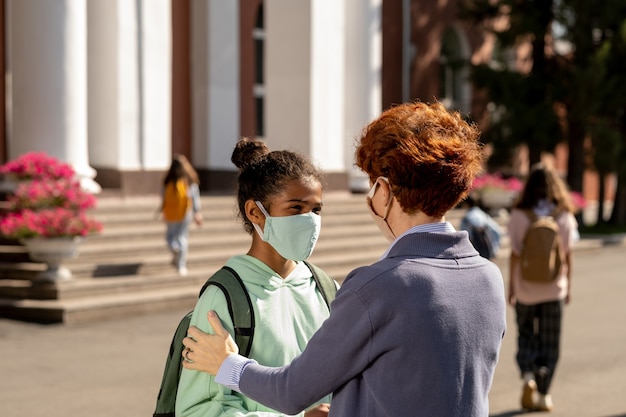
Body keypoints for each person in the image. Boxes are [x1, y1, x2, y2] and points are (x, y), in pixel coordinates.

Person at [181, 101, 507, 417]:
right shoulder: (489, 278)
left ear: (382, 190)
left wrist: (228, 365)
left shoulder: (378, 287)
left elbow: (292, 392)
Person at [175, 137, 334, 417]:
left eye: (316, 209)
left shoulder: (327, 289)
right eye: (296, 208)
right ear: (255, 212)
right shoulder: (224, 297)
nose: (309, 220)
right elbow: (196, 410)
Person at [507, 162, 579, 412]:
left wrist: (511, 288)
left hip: (525, 288)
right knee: (550, 342)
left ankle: (528, 375)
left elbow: (515, 254)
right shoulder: (564, 215)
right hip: (553, 288)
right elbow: (568, 254)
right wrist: (568, 286)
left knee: (526, 334)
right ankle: (544, 392)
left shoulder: (519, 215)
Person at [161, 154, 203, 276]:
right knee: (182, 237)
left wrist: (163, 211)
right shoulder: (189, 180)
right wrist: (197, 213)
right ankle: (181, 266)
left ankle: (174, 248)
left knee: (170, 236)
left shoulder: (168, 181)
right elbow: (195, 197)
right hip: (186, 213)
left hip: (171, 213)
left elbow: (163, 197)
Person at [459, 194, 502, 260]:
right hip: (486, 248)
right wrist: (495, 247)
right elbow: (496, 229)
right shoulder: (481, 214)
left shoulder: (468, 217)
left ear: (466, 204)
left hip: (476, 250)